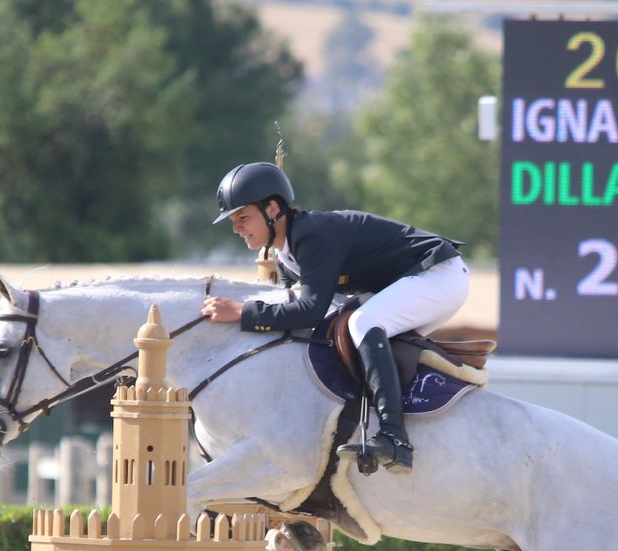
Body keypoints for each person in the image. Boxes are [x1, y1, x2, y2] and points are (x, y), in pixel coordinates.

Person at [201, 162, 468, 475]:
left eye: (242, 217)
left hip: (438, 276)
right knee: (340, 331)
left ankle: (395, 438)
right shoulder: (286, 256)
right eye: (233, 220)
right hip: (414, 282)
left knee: (362, 324)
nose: (236, 228)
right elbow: (299, 319)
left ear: (272, 209)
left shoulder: (312, 235)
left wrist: (241, 312)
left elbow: (309, 310)